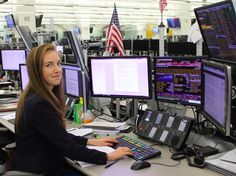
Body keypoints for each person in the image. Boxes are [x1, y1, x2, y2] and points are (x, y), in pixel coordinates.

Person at [13, 44, 132, 176]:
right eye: (49, 65)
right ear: (36, 71)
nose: (57, 69)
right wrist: (108, 156)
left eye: (58, 63)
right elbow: (69, 148)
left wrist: (90, 141)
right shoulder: (39, 104)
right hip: (45, 171)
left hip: (41, 166)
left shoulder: (33, 95)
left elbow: (58, 135)